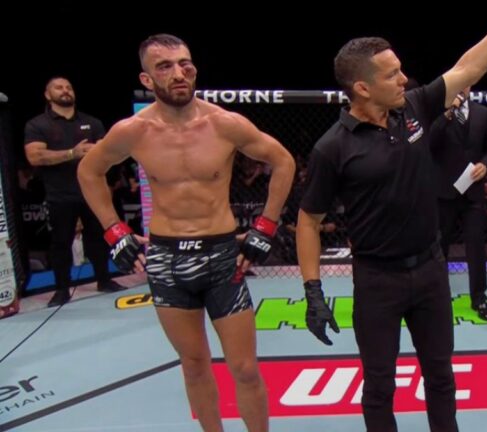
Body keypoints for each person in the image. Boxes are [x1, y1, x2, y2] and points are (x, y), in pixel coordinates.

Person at [295, 3, 487, 430]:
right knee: (379, 387)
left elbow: (468, 69)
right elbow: (309, 221)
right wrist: (313, 292)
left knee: (441, 377)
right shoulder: (333, 148)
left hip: (430, 269)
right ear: (362, 88)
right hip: (376, 281)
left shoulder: (414, 108)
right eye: (392, 75)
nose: (404, 79)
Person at [77, 34, 295, 432]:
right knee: (193, 365)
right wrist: (114, 231)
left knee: (245, 368)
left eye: (185, 63)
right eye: (165, 66)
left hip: (222, 257)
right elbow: (89, 170)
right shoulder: (134, 131)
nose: (179, 73)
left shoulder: (224, 123)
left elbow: (282, 161)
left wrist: (265, 227)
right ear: (147, 79)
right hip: (167, 259)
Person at [24, 76, 125, 307]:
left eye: (68, 87)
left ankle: (104, 279)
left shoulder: (92, 122)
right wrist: (72, 153)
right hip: (60, 194)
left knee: (98, 238)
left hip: (92, 191)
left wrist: (101, 152)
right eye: (59, 87)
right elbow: (34, 156)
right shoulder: (37, 124)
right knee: (61, 243)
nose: (65, 90)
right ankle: (62, 289)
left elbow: (109, 154)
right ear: (48, 95)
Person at [431, 87, 487, 321]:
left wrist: (486, 164)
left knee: (476, 246)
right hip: (444, 191)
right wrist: (448, 112)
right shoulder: (439, 111)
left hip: (473, 191)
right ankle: (437, 296)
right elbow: (430, 140)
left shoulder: (482, 113)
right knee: (440, 247)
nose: (463, 88)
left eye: (467, 84)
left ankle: (479, 296)